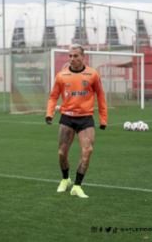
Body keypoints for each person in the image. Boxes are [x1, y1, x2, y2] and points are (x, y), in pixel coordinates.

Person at [45, 44, 107, 198]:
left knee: (88, 150)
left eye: (75, 56)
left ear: (82, 57)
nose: (72, 59)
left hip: (86, 119)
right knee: (61, 153)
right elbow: (53, 96)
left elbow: (100, 95)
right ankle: (65, 179)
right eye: (70, 56)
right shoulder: (61, 75)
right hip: (67, 118)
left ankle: (77, 186)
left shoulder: (93, 74)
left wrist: (103, 119)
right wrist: (49, 113)